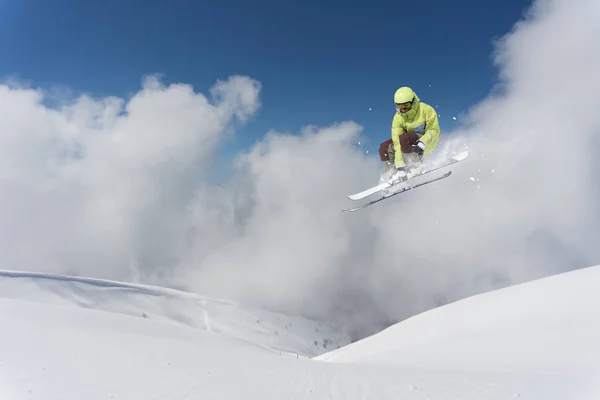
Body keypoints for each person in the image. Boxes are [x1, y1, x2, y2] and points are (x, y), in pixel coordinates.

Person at [378, 86, 440, 182]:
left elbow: (434, 130)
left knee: (404, 138)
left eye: (405, 106)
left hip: (426, 142)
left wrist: (423, 141)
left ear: (413, 102)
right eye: (399, 106)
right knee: (384, 147)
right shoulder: (398, 118)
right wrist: (399, 165)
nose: (402, 109)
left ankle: (415, 167)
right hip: (407, 143)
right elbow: (397, 142)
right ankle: (393, 174)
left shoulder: (426, 110)